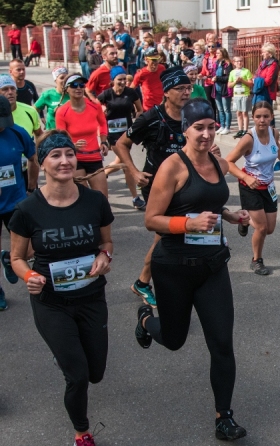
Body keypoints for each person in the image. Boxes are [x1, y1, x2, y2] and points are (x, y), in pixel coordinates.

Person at [134, 98, 249, 442]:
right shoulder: (172, 167)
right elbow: (151, 219)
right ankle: (145, 319)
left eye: (211, 126)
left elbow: (207, 203)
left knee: (222, 344)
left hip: (212, 266)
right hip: (174, 268)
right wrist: (188, 224)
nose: (206, 133)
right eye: (199, 127)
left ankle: (224, 417)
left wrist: (229, 215)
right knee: (174, 340)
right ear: (185, 129)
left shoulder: (218, 162)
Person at [9, 131, 114, 446]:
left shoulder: (94, 201)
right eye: (56, 156)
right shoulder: (27, 209)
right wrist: (29, 276)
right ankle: (82, 434)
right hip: (51, 302)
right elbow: (17, 258)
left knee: (95, 372)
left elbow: (107, 243)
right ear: (42, 163)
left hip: (91, 297)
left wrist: (104, 257)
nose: (65, 161)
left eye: (69, 154)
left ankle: (68, 357)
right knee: (78, 376)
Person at [114, 67, 194, 307]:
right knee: (165, 234)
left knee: (181, 233)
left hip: (186, 184)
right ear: (167, 92)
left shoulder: (193, 114)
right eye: (180, 88)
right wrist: (134, 172)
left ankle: (170, 277)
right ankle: (143, 281)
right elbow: (121, 144)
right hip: (157, 187)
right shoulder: (151, 118)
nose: (186, 93)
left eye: (188, 88)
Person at [226, 101, 280, 276]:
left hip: (269, 186)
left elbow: (278, 146)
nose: (262, 120)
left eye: (266, 116)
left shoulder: (274, 132)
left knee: (270, 229)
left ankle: (244, 220)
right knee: (261, 228)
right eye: (258, 116)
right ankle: (256, 260)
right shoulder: (248, 139)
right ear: (252, 118)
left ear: (271, 117)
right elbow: (228, 162)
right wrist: (246, 177)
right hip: (250, 186)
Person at [0, 96, 38, 311]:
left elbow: (33, 159)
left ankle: (7, 257)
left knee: (29, 250)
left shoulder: (17, 132)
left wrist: (31, 187)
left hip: (15, 201)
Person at [55, 74, 109, 198]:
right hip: (75, 159)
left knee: (102, 198)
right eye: (74, 85)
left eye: (81, 85)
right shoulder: (62, 111)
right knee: (83, 198)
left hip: (94, 157)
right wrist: (72, 146)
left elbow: (102, 123)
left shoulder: (94, 106)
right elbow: (61, 138)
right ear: (66, 89)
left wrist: (103, 141)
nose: (78, 88)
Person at [97, 66, 144, 209]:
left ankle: (103, 173)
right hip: (112, 134)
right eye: (120, 79)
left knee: (120, 160)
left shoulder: (131, 93)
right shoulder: (106, 94)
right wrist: (102, 109)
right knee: (127, 164)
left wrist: (137, 122)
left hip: (127, 133)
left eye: (125, 79)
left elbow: (140, 109)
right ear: (113, 80)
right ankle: (135, 198)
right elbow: (95, 108)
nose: (123, 82)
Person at [0, 74, 42, 140]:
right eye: (5, 89)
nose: (10, 92)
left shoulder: (30, 111)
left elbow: (40, 135)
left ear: (16, 92)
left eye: (13, 88)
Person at [132, 47, 166, 112]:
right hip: (148, 109)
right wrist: (136, 106)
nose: (155, 62)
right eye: (153, 60)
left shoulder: (162, 68)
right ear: (146, 60)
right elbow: (131, 90)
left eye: (157, 59)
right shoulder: (141, 74)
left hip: (162, 106)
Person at [253, 43, 279, 124]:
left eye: (264, 52)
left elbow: (268, 80)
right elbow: (256, 74)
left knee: (266, 113)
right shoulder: (262, 63)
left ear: (270, 53)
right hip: (259, 90)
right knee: (258, 111)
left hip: (267, 92)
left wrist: (256, 81)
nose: (262, 54)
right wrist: (255, 79)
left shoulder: (273, 64)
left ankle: (270, 129)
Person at [229, 56, 253, 139]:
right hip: (236, 95)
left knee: (244, 113)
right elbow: (229, 85)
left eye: (241, 61)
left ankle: (245, 130)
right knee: (238, 113)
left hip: (244, 94)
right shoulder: (232, 72)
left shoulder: (246, 71)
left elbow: (251, 83)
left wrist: (243, 80)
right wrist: (235, 81)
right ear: (234, 63)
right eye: (237, 61)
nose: (239, 63)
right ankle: (240, 130)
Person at [214, 47, 233, 135]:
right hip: (216, 88)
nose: (216, 55)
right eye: (216, 53)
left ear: (223, 54)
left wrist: (217, 78)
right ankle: (222, 125)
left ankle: (227, 127)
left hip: (225, 89)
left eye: (218, 53)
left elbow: (228, 78)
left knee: (226, 109)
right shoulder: (217, 63)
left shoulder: (227, 64)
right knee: (220, 109)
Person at [200, 41, 218, 113]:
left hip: (215, 81)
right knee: (209, 101)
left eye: (212, 46)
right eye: (209, 46)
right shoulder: (205, 57)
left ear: (215, 47)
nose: (211, 48)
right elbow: (203, 70)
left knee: (216, 102)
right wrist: (201, 74)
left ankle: (218, 119)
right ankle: (212, 117)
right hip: (207, 81)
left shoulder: (217, 57)